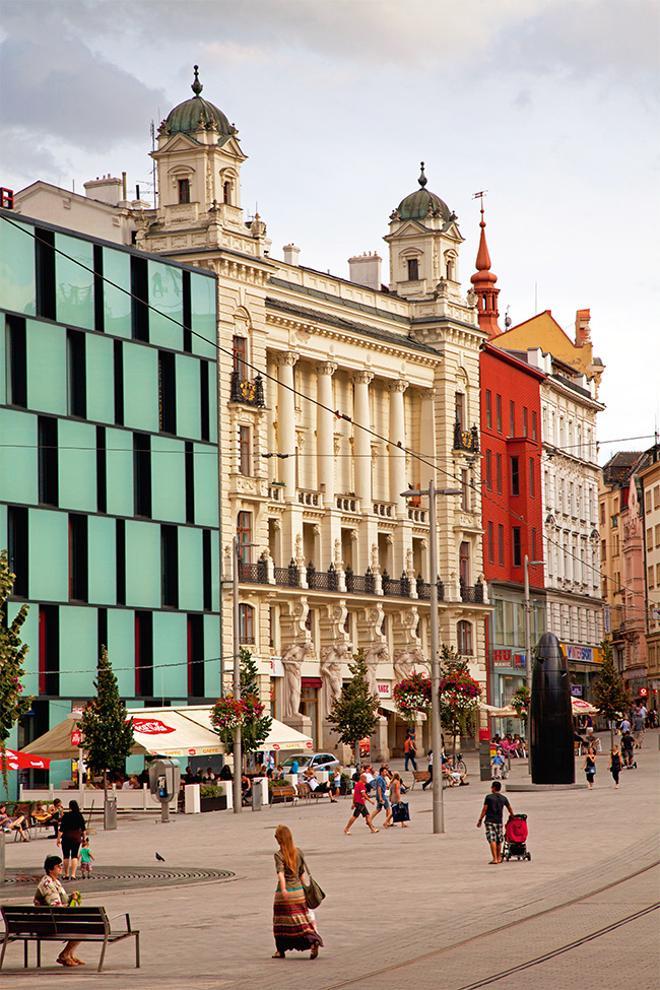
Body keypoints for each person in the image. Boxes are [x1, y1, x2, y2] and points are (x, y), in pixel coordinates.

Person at [272, 824, 323, 959]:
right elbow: (301, 874)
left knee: (281, 922)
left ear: (280, 839)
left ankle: (280, 950)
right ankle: (313, 940)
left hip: (285, 893)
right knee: (302, 920)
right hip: (298, 891)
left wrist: (283, 889)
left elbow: (281, 874)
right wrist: (304, 888)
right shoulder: (298, 852)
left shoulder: (279, 855)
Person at [34, 855, 84, 966]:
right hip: (48, 922)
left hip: (51, 919)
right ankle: (65, 955)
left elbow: (61, 900)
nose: (61, 868)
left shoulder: (54, 881)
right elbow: (56, 906)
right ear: (51, 869)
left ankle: (69, 954)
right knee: (82, 926)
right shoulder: (48, 884)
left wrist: (71, 897)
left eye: (61, 865)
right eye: (58, 866)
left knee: (82, 924)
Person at [476, 781, 514, 864]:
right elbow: (509, 808)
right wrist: (512, 816)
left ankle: (495, 858)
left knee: (492, 839)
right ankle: (499, 857)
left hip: (489, 821)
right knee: (498, 840)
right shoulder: (504, 798)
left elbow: (484, 809)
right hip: (499, 821)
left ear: (493, 788)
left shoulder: (488, 797)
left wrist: (480, 820)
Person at [57, 799, 87, 880]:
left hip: (66, 837)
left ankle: (66, 874)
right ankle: (73, 875)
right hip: (76, 837)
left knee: (66, 856)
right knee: (74, 856)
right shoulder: (79, 815)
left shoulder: (66, 816)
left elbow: (61, 829)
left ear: (70, 806)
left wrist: (58, 839)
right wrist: (84, 839)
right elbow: (84, 829)